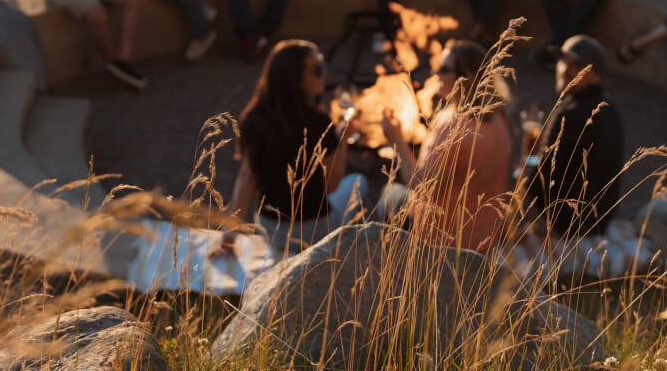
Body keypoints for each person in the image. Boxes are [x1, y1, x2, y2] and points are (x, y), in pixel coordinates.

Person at [228, 40, 367, 251]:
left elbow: (248, 175)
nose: (324, 74)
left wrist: (230, 232)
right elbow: (332, 186)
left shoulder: (254, 118)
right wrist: (342, 142)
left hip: (269, 230)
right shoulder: (319, 124)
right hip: (313, 232)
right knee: (359, 181)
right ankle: (341, 249)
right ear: (297, 80)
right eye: (317, 70)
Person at [379, 40, 513, 254]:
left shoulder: (453, 128)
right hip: (485, 236)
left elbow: (419, 184)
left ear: (467, 78)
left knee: (388, 193)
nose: (435, 73)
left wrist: (396, 140)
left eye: (443, 69)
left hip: (440, 239)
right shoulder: (499, 118)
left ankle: (394, 263)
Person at [524, 34, 624, 238]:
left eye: (576, 65)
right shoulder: (610, 108)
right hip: (599, 221)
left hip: (566, 225)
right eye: (562, 61)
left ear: (596, 74)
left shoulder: (570, 115)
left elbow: (542, 181)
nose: (564, 70)